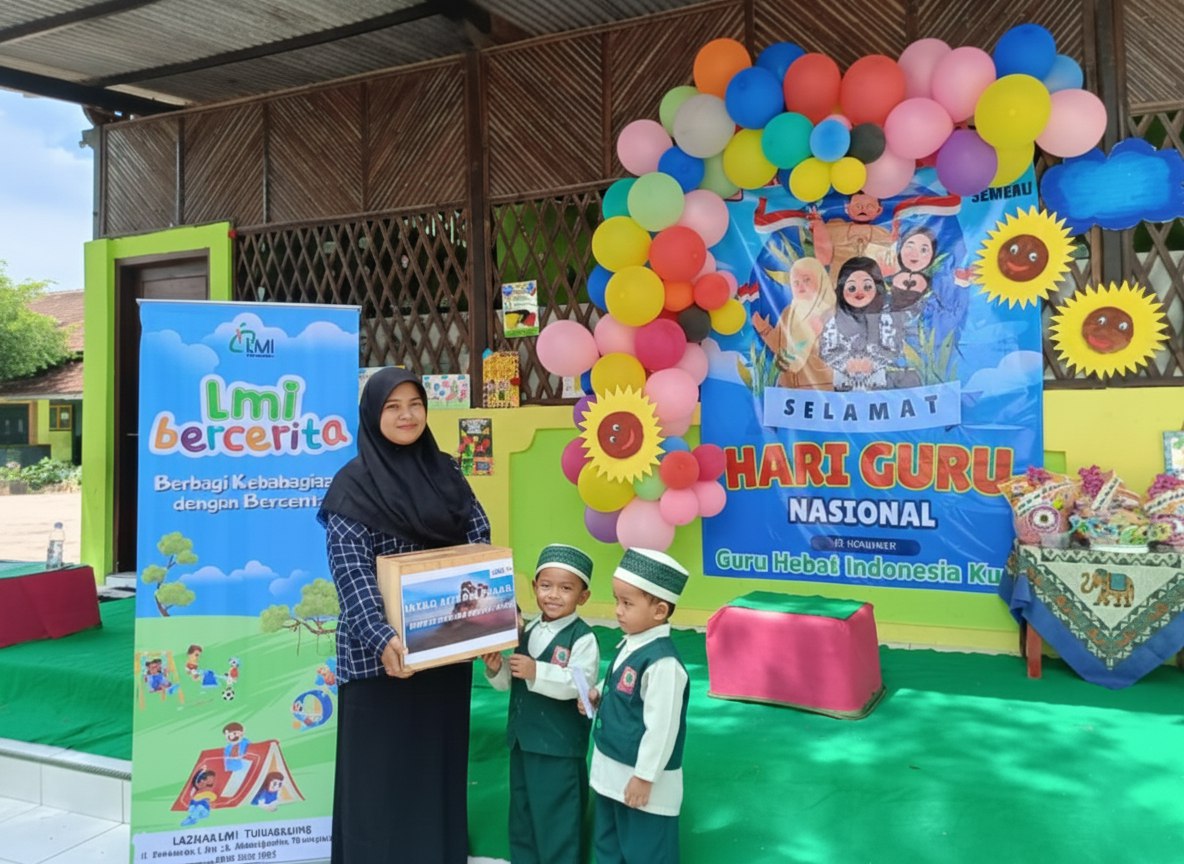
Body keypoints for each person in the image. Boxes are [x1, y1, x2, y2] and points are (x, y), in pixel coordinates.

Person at [318, 366, 491, 864]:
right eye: (392, 407)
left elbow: (478, 539)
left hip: (444, 653)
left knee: (433, 773)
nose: (406, 415)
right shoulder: (352, 486)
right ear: (373, 415)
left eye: (414, 404)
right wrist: (383, 638)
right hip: (382, 664)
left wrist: (495, 612)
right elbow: (350, 574)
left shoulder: (447, 471)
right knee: (378, 784)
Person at [482, 543, 600, 864]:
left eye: (566, 588)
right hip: (522, 743)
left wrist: (539, 671)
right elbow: (510, 682)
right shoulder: (525, 630)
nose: (553, 595)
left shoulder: (583, 638)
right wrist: (496, 668)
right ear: (534, 587)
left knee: (558, 823)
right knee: (522, 818)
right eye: (545, 586)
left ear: (583, 596)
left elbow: (581, 686)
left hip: (558, 750)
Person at [582, 548, 689, 864]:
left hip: (643, 786)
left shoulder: (664, 664)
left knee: (647, 852)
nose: (617, 611)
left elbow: (663, 728)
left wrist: (645, 777)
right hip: (611, 774)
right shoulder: (631, 642)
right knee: (608, 847)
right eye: (617, 600)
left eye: (627, 603)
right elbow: (621, 685)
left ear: (659, 611)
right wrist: (599, 694)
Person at [820, 256, 911, 391]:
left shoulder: (887, 316)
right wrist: (846, 364)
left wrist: (872, 362)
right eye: (852, 288)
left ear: (878, 287)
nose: (859, 292)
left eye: (867, 286)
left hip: (881, 385)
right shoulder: (832, 316)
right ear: (841, 288)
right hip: (842, 386)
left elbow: (894, 349)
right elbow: (826, 350)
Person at [750, 256, 837, 390]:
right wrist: (765, 330)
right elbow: (780, 345)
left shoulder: (832, 313)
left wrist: (815, 334)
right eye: (795, 282)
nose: (800, 286)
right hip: (788, 388)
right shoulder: (789, 312)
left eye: (807, 280)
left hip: (820, 388)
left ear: (820, 280)